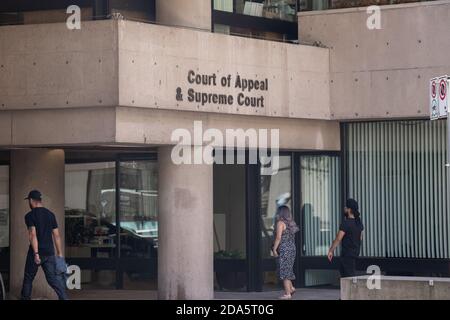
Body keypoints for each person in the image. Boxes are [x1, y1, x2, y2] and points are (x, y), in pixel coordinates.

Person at [21, 190, 68, 300]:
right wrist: (60, 254)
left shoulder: (29, 215)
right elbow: (56, 236)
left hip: (36, 252)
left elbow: (33, 235)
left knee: (28, 278)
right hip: (49, 252)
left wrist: (36, 253)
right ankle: (64, 298)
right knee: (52, 279)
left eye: (29, 201)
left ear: (32, 200)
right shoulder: (50, 215)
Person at [327, 199, 364, 278]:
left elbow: (338, 239)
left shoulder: (346, 223)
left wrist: (331, 250)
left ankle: (353, 291)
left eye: (345, 207)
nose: (344, 208)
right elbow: (360, 238)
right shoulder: (359, 223)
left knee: (349, 279)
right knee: (348, 278)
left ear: (349, 209)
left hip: (347, 255)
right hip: (355, 254)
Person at [271, 205, 299, 300]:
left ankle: (287, 294)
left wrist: (274, 249)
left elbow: (278, 237)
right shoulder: (291, 223)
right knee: (288, 269)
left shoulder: (280, 223)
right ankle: (291, 288)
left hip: (284, 249)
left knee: (284, 272)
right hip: (292, 248)